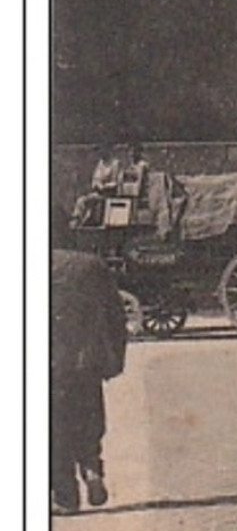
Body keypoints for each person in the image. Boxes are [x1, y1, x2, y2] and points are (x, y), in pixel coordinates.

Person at [50, 208, 127, 514]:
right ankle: (93, 468)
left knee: (52, 428)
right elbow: (115, 316)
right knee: (88, 418)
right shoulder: (91, 266)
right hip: (86, 363)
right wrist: (114, 359)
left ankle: (66, 496)